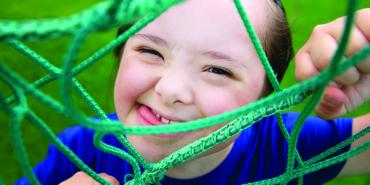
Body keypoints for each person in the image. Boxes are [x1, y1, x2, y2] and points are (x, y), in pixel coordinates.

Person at [16, 0, 370, 184]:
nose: (169, 90)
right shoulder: (80, 149)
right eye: (150, 51)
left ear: (266, 98)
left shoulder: (282, 145)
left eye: (217, 70)